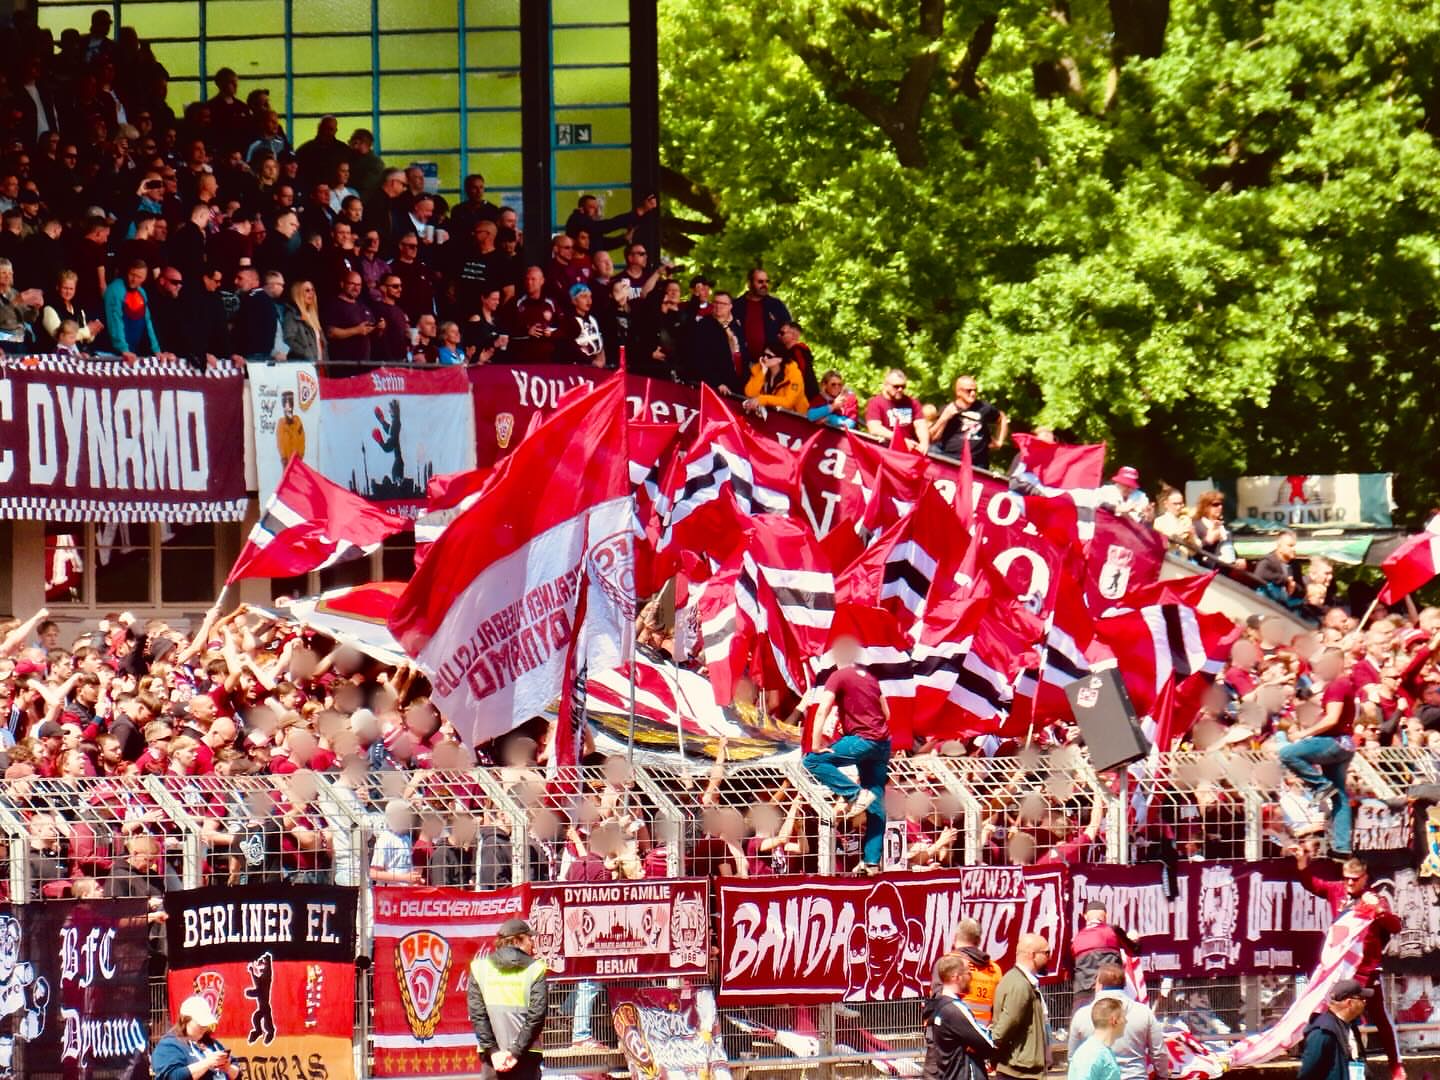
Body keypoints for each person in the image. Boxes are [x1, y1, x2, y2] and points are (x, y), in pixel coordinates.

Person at [1294, 849, 1404, 1079]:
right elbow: (1313, 885)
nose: (1349, 883)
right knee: (1329, 1013)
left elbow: (1395, 927)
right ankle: (1326, 1057)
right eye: (1346, 878)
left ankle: (1396, 1065)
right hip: (1341, 971)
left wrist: (1379, 911)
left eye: (1355, 879)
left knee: (1380, 1017)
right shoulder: (1337, 891)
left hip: (1367, 970)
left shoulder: (1374, 898)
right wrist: (1303, 864)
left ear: (1365, 878)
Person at [804, 636, 891, 871]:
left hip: (862, 740)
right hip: (882, 743)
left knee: (812, 761)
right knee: (876, 803)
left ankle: (852, 794)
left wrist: (815, 744)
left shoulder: (838, 676)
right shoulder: (871, 679)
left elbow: (822, 710)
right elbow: (887, 712)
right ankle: (871, 861)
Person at [1279, 647, 1357, 853]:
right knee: (1339, 796)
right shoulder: (1345, 684)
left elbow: (1332, 719)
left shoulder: (1338, 686)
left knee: (1287, 753)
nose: (1321, 669)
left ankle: (1321, 785)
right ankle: (1341, 848)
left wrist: (1302, 735)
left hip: (1334, 741)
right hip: (1346, 743)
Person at [468, 918, 548, 1080]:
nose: (532, 944)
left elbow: (478, 1015)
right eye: (529, 939)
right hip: (527, 1055)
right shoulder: (536, 969)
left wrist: (493, 1051)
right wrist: (515, 1052)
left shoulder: (479, 968)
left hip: (493, 1060)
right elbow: (537, 1016)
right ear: (517, 940)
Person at [1067, 964, 1168, 1080]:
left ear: (1098, 984)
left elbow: (1072, 1057)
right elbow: (1159, 1052)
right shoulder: (1144, 1012)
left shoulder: (1081, 1015)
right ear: (1125, 985)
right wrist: (1162, 1076)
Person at [990, 933, 1052, 1080]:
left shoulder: (1020, 981)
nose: (1049, 957)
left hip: (1021, 1069)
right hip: (1019, 1072)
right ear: (1032, 955)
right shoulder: (1020, 985)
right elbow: (1004, 1028)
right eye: (1046, 953)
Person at [924, 953, 993, 1080]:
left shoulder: (940, 1006)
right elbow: (988, 1043)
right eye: (968, 973)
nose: (971, 977)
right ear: (956, 977)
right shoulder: (955, 1009)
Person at [151, 995, 239, 1080]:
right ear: (185, 1020)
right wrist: (207, 1063)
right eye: (199, 1024)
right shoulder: (169, 1045)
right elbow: (173, 1076)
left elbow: (237, 1071)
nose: (203, 1027)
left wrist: (228, 1068)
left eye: (206, 1024)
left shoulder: (213, 1044)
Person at [1297, 979, 1370, 1080]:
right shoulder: (1323, 1032)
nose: (1365, 1001)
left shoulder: (1350, 1026)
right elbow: (1308, 1073)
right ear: (1349, 1003)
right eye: (1362, 998)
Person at [930, 376, 1007, 467]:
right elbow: (932, 438)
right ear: (958, 392)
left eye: (975, 390)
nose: (973, 393)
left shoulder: (984, 407)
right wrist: (944, 418)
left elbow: (1002, 418)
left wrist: (999, 441)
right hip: (952, 461)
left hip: (978, 464)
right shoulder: (948, 409)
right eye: (969, 391)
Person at [1070, 900, 1137, 996]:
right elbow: (1133, 951)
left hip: (1083, 993)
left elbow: (1071, 968)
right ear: (1105, 916)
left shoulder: (1076, 940)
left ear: (1085, 917)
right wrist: (1134, 941)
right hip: (1111, 991)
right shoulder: (1113, 931)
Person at [950, 917, 1003, 1026]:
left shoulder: (948, 964)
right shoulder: (995, 970)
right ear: (979, 941)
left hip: (955, 1037)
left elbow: (937, 1004)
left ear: (955, 938)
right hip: (984, 1036)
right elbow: (1000, 1009)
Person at [733, 267, 793, 359]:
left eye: (767, 281)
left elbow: (789, 331)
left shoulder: (776, 305)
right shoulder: (736, 306)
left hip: (771, 362)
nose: (765, 285)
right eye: (760, 282)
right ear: (749, 283)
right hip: (742, 362)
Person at [865, 369, 930, 451]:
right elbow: (874, 428)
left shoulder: (912, 403)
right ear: (886, 385)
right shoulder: (875, 403)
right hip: (886, 448)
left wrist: (924, 443)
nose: (900, 389)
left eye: (903, 386)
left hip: (909, 450)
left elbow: (920, 425)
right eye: (896, 386)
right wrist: (900, 439)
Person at [1067, 997, 1125, 1080]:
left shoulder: (1102, 1050)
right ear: (1114, 1020)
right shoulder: (1092, 1053)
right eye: (1123, 1017)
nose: (1125, 1021)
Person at [743, 346, 808, 413]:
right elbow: (749, 394)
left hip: (797, 418)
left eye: (769, 356)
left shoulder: (794, 375)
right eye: (764, 355)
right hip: (771, 414)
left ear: (780, 359)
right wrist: (762, 372)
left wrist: (763, 399)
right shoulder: (760, 369)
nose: (765, 358)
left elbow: (789, 402)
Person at [1255, 530, 1305, 606]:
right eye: (1290, 546)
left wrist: (1294, 587)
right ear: (1279, 547)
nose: (1294, 549)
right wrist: (1285, 581)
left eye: (1294, 546)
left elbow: (1302, 590)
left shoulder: (1295, 565)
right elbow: (1259, 575)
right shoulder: (1268, 561)